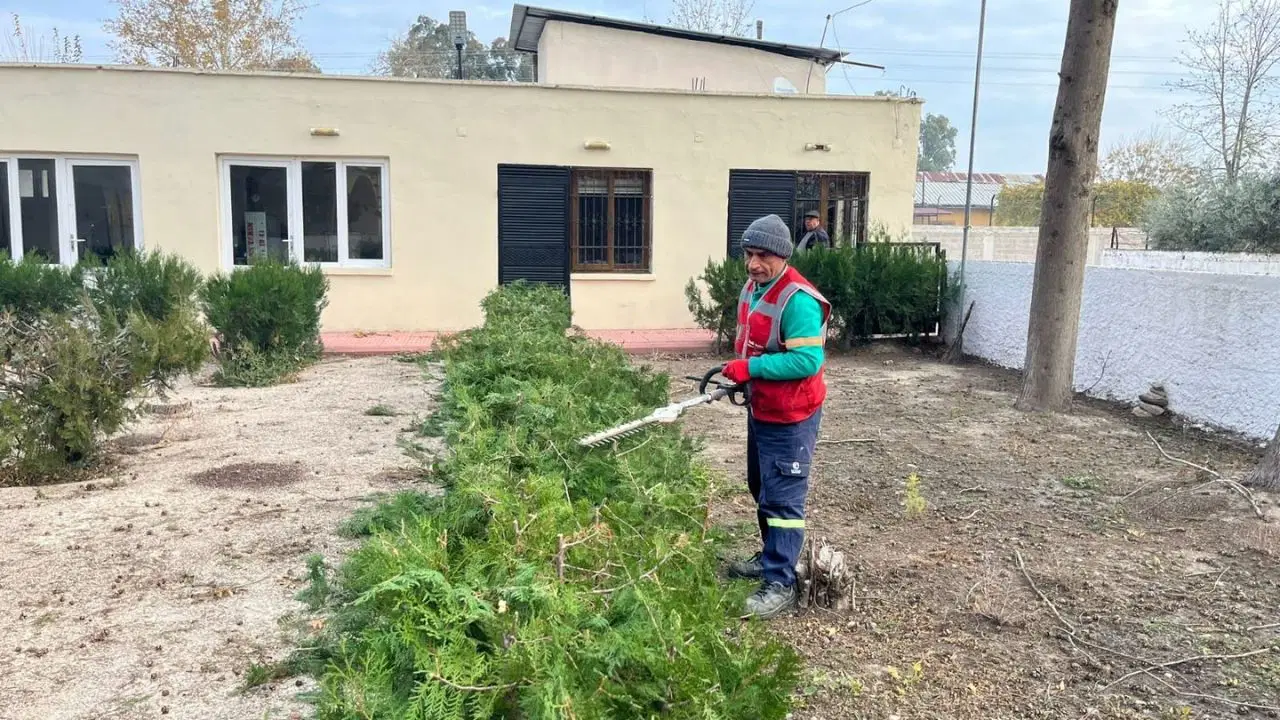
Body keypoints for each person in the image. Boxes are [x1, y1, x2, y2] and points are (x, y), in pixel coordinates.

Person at [720, 213, 831, 619]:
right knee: (760, 485)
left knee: (783, 498)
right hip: (763, 408)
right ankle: (769, 556)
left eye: (763, 255)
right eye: (749, 254)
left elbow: (806, 359)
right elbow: (757, 344)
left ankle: (780, 582)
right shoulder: (755, 288)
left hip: (791, 415)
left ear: (783, 255)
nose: (753, 263)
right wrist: (742, 374)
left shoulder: (797, 300)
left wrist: (752, 370)